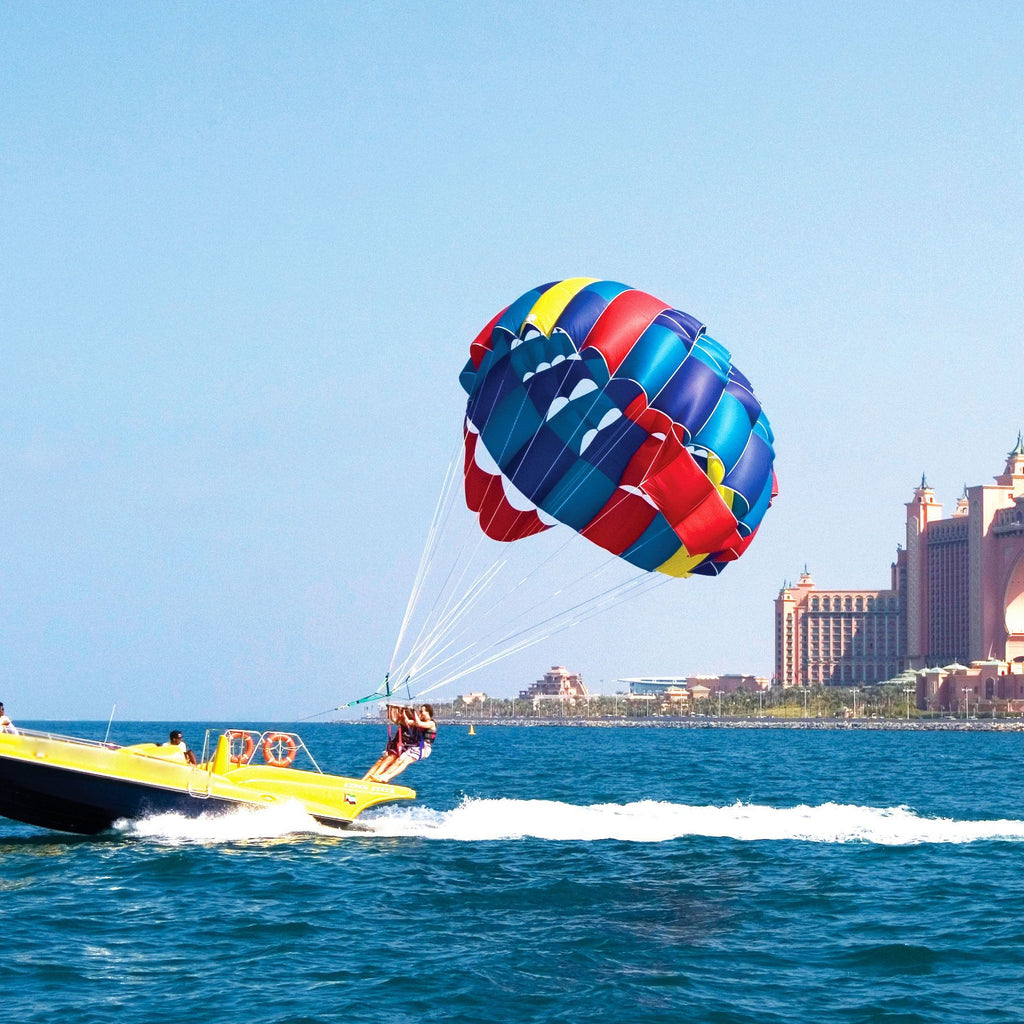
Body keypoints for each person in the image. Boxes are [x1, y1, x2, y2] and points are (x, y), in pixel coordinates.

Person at [366, 704, 437, 784]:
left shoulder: (431, 723)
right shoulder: (420, 722)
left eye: (421, 711)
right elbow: (407, 722)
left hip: (424, 749)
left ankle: (386, 777)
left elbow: (419, 724)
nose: (420, 713)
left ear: (428, 712)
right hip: (416, 747)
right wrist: (401, 712)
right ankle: (383, 776)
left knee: (405, 762)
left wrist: (413, 712)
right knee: (399, 760)